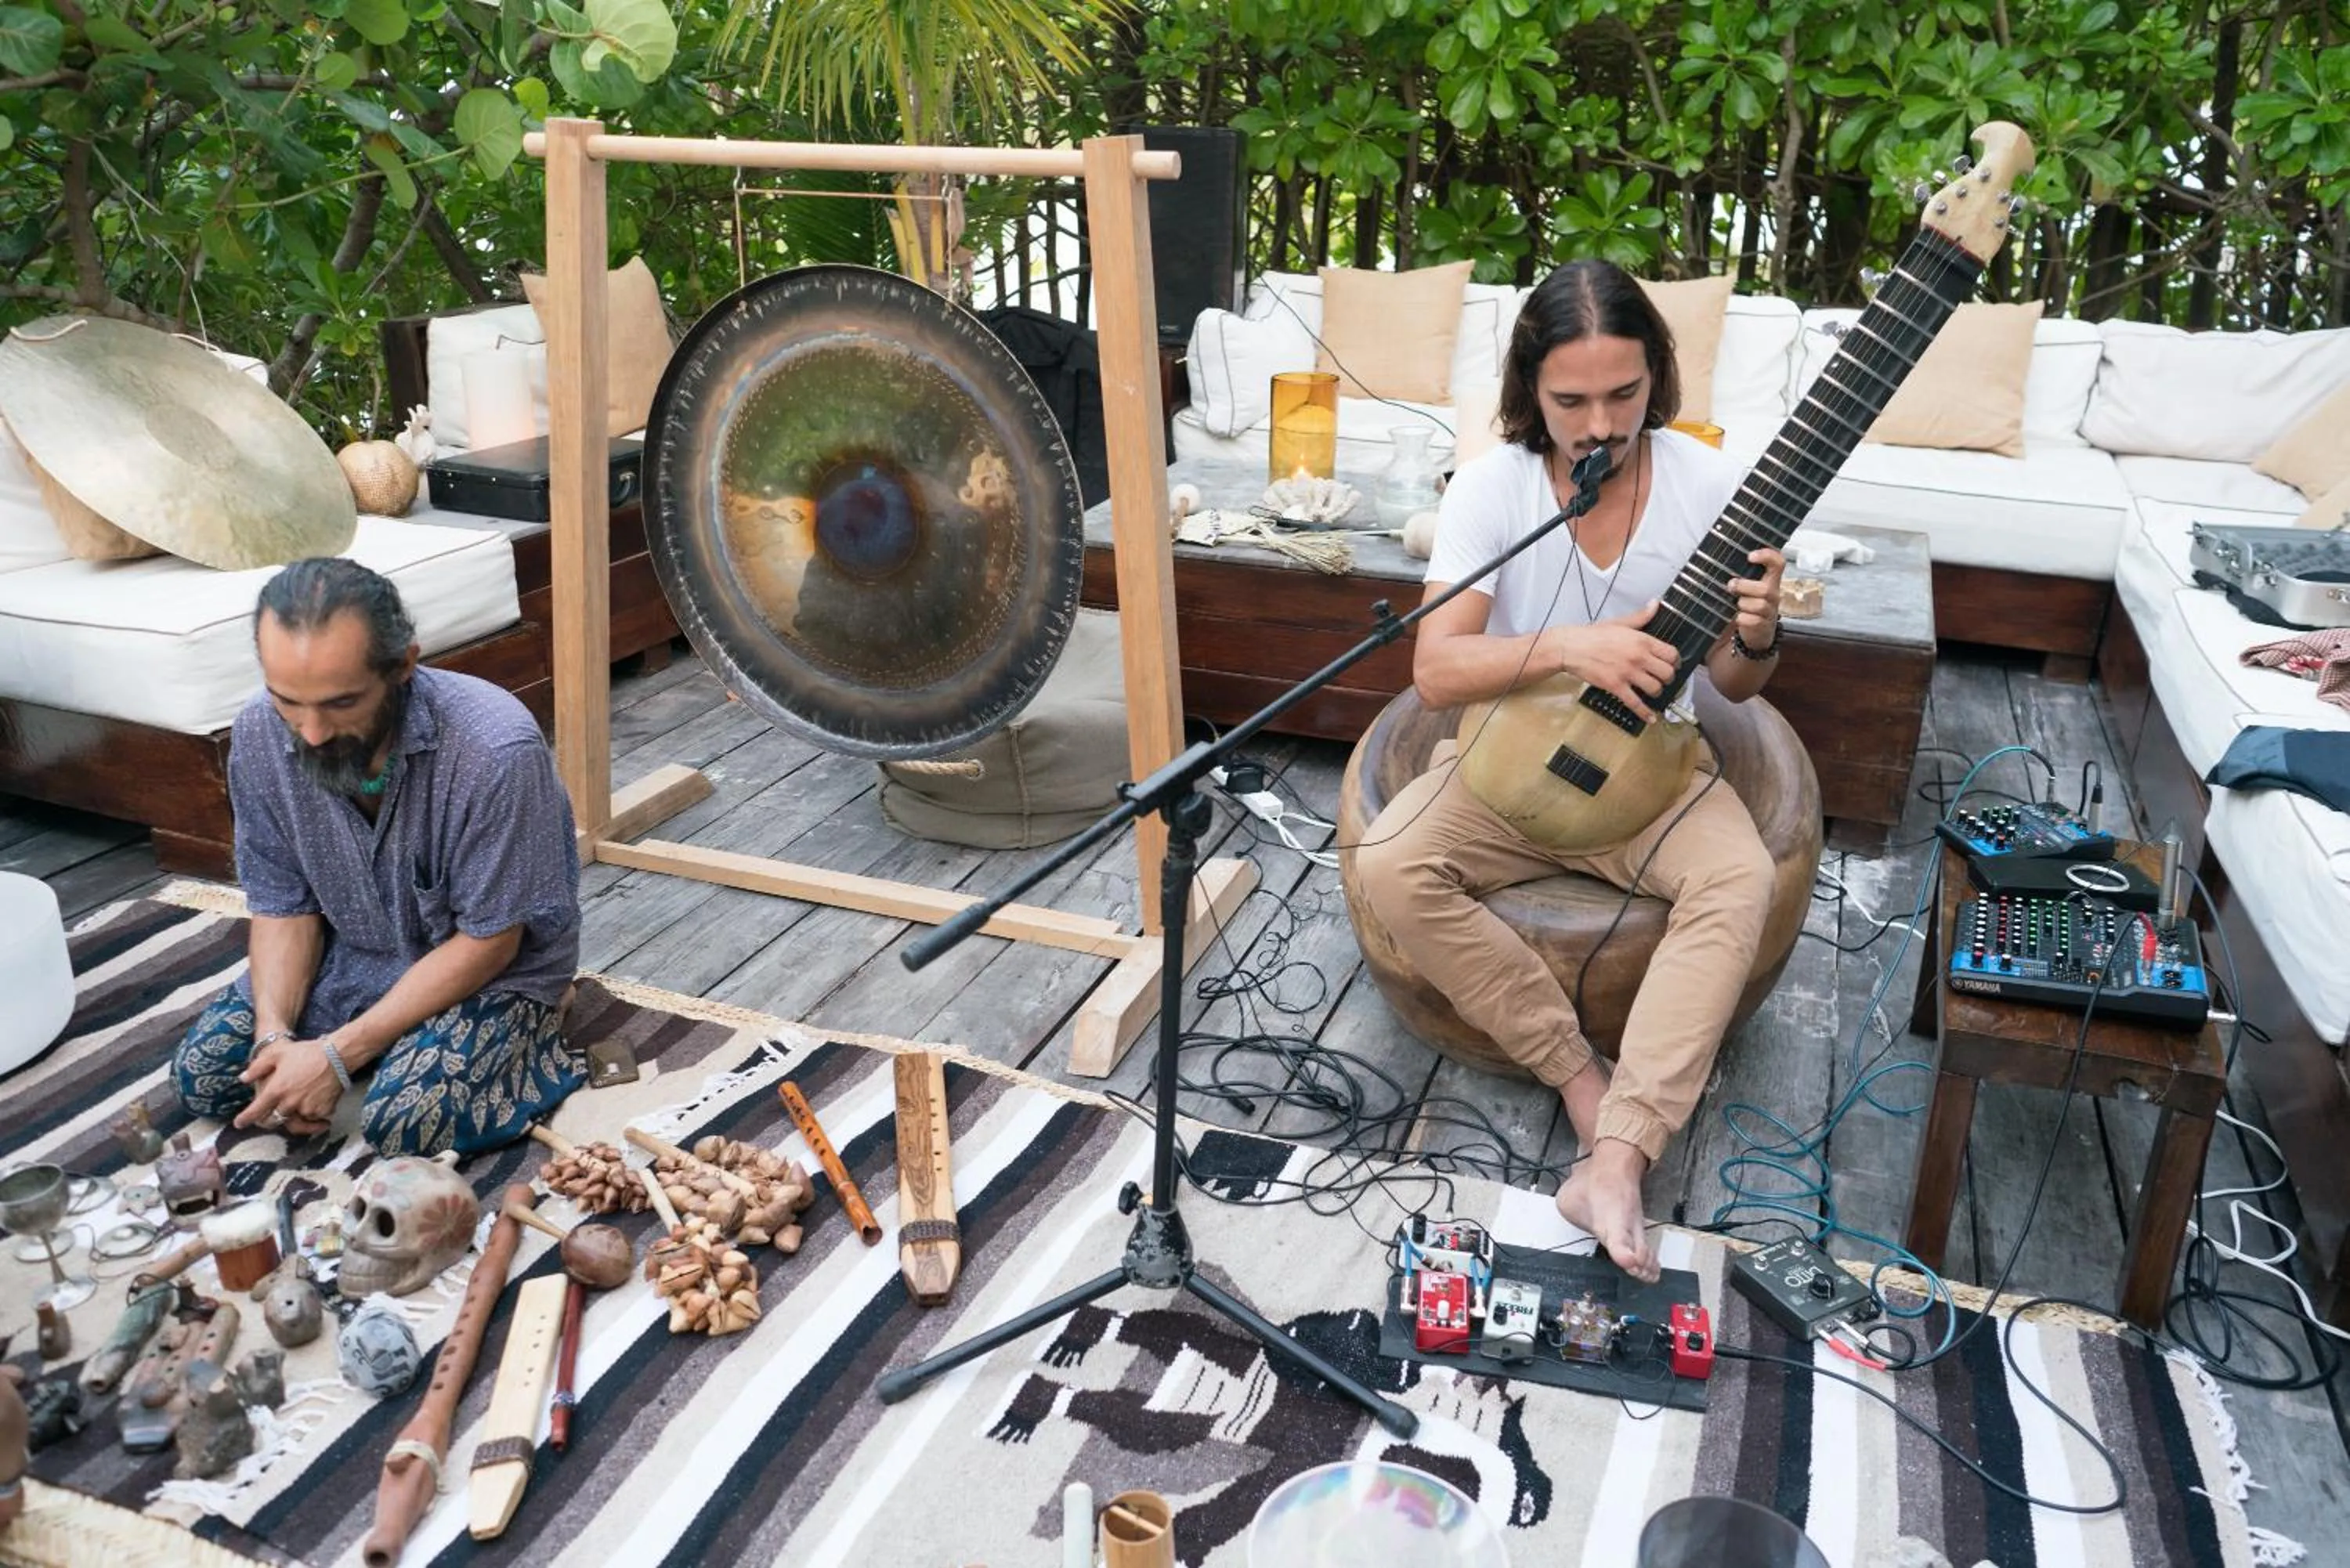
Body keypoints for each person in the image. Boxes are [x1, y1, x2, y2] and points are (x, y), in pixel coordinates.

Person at [1356, 259, 1787, 1283]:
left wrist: (1760, 634)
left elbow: (1738, 677)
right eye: (1572, 400)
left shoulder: (1708, 484)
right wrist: (1569, 645)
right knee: (1389, 865)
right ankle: (1575, 1070)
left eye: (1626, 394)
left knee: (1743, 880)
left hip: (1655, 766)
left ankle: (1620, 1154)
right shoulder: (1496, 487)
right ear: (1528, 394)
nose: (1601, 423)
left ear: (1658, 380)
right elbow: (1435, 668)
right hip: (1508, 758)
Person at [172, 558, 585, 1157]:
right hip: (353, 960)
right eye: (287, 700)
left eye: (341, 703)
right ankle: (377, 1046)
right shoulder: (261, 733)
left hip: (497, 969)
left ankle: (544, 1023)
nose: (310, 732)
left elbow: (491, 941)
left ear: (404, 667)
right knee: (208, 1079)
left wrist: (337, 1057)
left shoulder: (496, 750)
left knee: (405, 1120)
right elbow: (283, 906)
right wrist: (274, 1043)